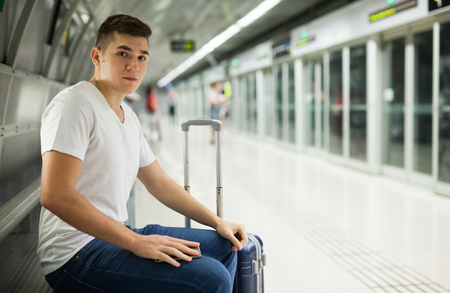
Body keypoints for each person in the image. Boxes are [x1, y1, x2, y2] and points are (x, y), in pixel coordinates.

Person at [38, 14, 247, 293]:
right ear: (97, 56)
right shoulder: (76, 103)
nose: (134, 65)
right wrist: (136, 242)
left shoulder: (128, 116)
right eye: (123, 53)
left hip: (113, 234)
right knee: (211, 279)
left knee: (225, 246)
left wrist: (217, 221)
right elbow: (55, 195)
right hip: (73, 254)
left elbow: (158, 182)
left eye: (142, 57)